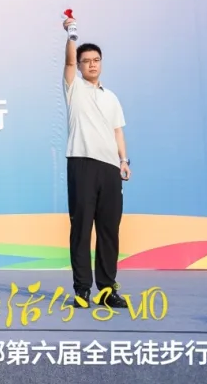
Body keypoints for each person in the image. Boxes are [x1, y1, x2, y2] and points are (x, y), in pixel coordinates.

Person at [62, 15, 129, 309]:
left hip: (110, 168)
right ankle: (82, 289)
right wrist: (71, 35)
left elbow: (117, 131)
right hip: (82, 164)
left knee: (109, 230)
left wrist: (123, 160)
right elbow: (67, 62)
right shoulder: (74, 88)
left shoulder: (111, 97)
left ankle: (107, 289)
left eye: (96, 60)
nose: (92, 64)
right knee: (81, 229)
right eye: (86, 61)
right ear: (79, 65)